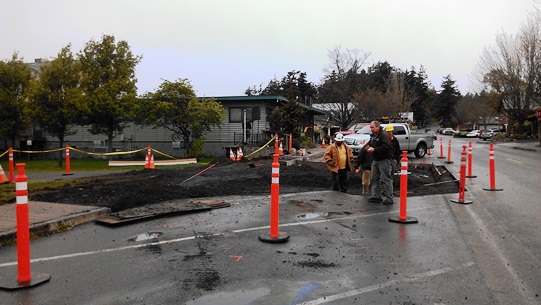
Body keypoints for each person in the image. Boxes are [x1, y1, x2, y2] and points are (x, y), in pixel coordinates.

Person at [365, 121, 394, 205]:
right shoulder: (375, 135)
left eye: (372, 127)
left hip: (384, 159)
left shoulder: (384, 135)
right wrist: (369, 146)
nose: (371, 129)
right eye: (370, 128)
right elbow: (372, 143)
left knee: (386, 178)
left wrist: (374, 149)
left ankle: (389, 197)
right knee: (374, 178)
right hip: (376, 159)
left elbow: (386, 147)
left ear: (377, 127)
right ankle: (377, 196)